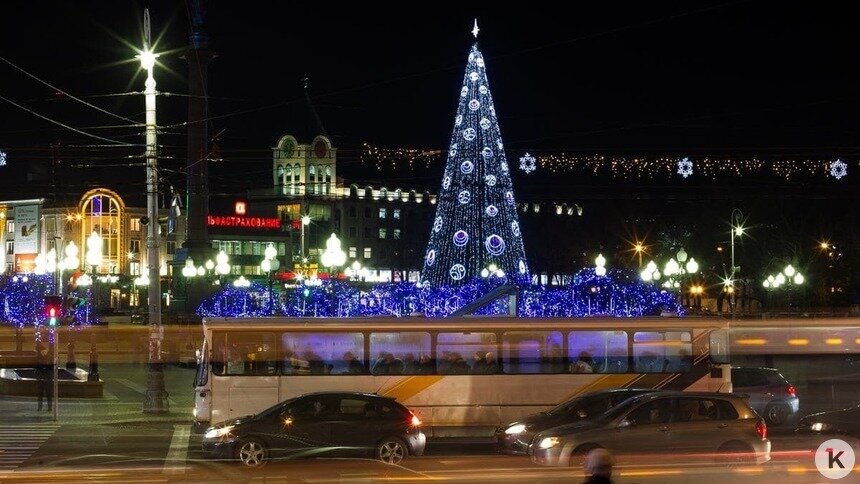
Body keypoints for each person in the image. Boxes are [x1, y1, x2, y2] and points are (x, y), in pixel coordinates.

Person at [35, 339, 52, 412]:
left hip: (44, 377)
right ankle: (46, 407)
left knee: (43, 393)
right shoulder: (48, 356)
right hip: (45, 377)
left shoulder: (40, 356)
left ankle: (43, 407)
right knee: (45, 393)